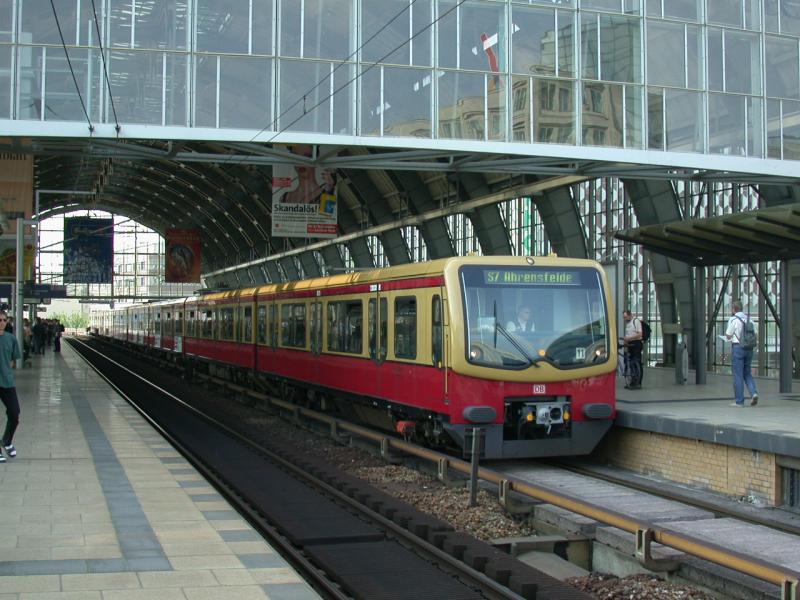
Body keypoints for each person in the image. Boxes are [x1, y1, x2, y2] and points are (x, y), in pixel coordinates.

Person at [725, 300, 759, 407]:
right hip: (749, 349)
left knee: (738, 375)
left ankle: (739, 401)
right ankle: (754, 393)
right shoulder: (750, 320)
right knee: (747, 373)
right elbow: (756, 335)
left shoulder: (733, 319)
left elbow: (728, 335)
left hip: (738, 348)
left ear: (734, 309)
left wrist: (729, 337)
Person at [0, 310, 21, 463]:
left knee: (14, 413)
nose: (1, 322)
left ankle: (6, 441)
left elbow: (14, 361)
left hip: (7, 382)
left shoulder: (11, 339)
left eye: (4, 319)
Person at [622, 310, 643, 389]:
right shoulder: (628, 324)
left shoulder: (636, 321)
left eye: (625, 317)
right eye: (624, 317)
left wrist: (629, 338)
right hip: (630, 344)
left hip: (636, 343)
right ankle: (632, 382)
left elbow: (640, 334)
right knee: (630, 362)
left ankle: (639, 382)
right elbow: (628, 335)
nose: (625, 319)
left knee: (637, 361)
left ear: (630, 315)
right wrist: (626, 343)